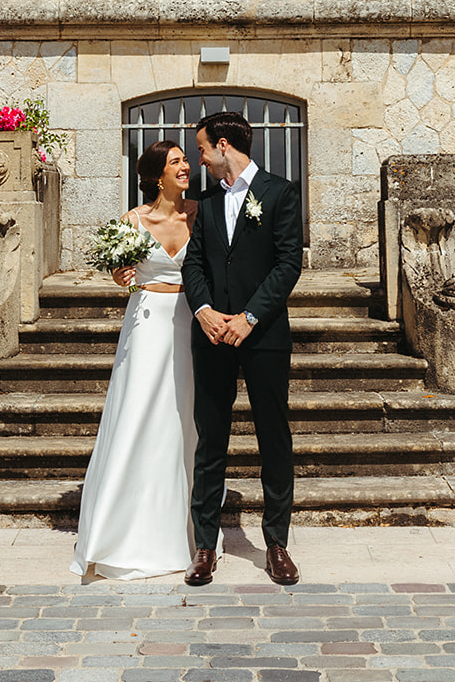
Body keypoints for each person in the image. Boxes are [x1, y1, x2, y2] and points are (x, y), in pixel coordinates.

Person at [180, 109, 304, 587]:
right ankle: (205, 547)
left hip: (264, 335)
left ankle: (276, 543)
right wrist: (204, 311)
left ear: (225, 146)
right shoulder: (206, 203)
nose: (201, 157)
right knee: (210, 441)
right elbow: (195, 265)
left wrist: (250, 317)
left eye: (203, 148)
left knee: (274, 436)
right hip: (212, 336)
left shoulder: (280, 192)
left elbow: (288, 263)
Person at [70, 141, 197, 580]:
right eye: (176, 161)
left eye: (185, 159)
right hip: (147, 324)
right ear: (156, 175)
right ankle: (120, 532)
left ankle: (188, 530)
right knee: (139, 416)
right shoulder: (133, 221)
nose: (185, 166)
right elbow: (118, 271)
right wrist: (119, 274)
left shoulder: (200, 214)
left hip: (191, 322)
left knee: (184, 423)